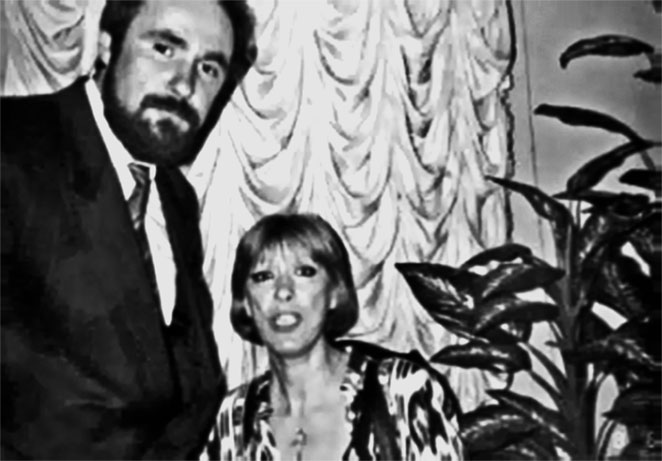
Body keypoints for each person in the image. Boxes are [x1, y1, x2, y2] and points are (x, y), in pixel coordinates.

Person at [1, 0, 256, 458]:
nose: (184, 84)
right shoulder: (14, 144)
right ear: (106, 45)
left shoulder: (175, 198)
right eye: (164, 48)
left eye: (209, 68)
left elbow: (182, 387)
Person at [205, 213, 463, 460]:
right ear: (246, 303)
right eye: (264, 277)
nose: (283, 291)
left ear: (335, 293)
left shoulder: (402, 392)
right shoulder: (234, 417)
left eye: (304, 272)